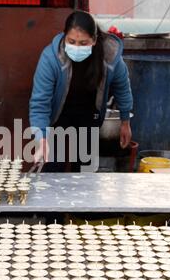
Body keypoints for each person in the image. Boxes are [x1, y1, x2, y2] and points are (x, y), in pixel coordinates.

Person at [29, 10, 133, 172]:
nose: (77, 47)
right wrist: (41, 138)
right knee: (52, 170)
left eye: (83, 43)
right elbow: (39, 103)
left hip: (89, 116)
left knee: (86, 174)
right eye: (71, 41)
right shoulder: (51, 58)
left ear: (94, 40)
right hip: (59, 117)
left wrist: (125, 121)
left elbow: (122, 88)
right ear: (64, 37)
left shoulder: (110, 57)